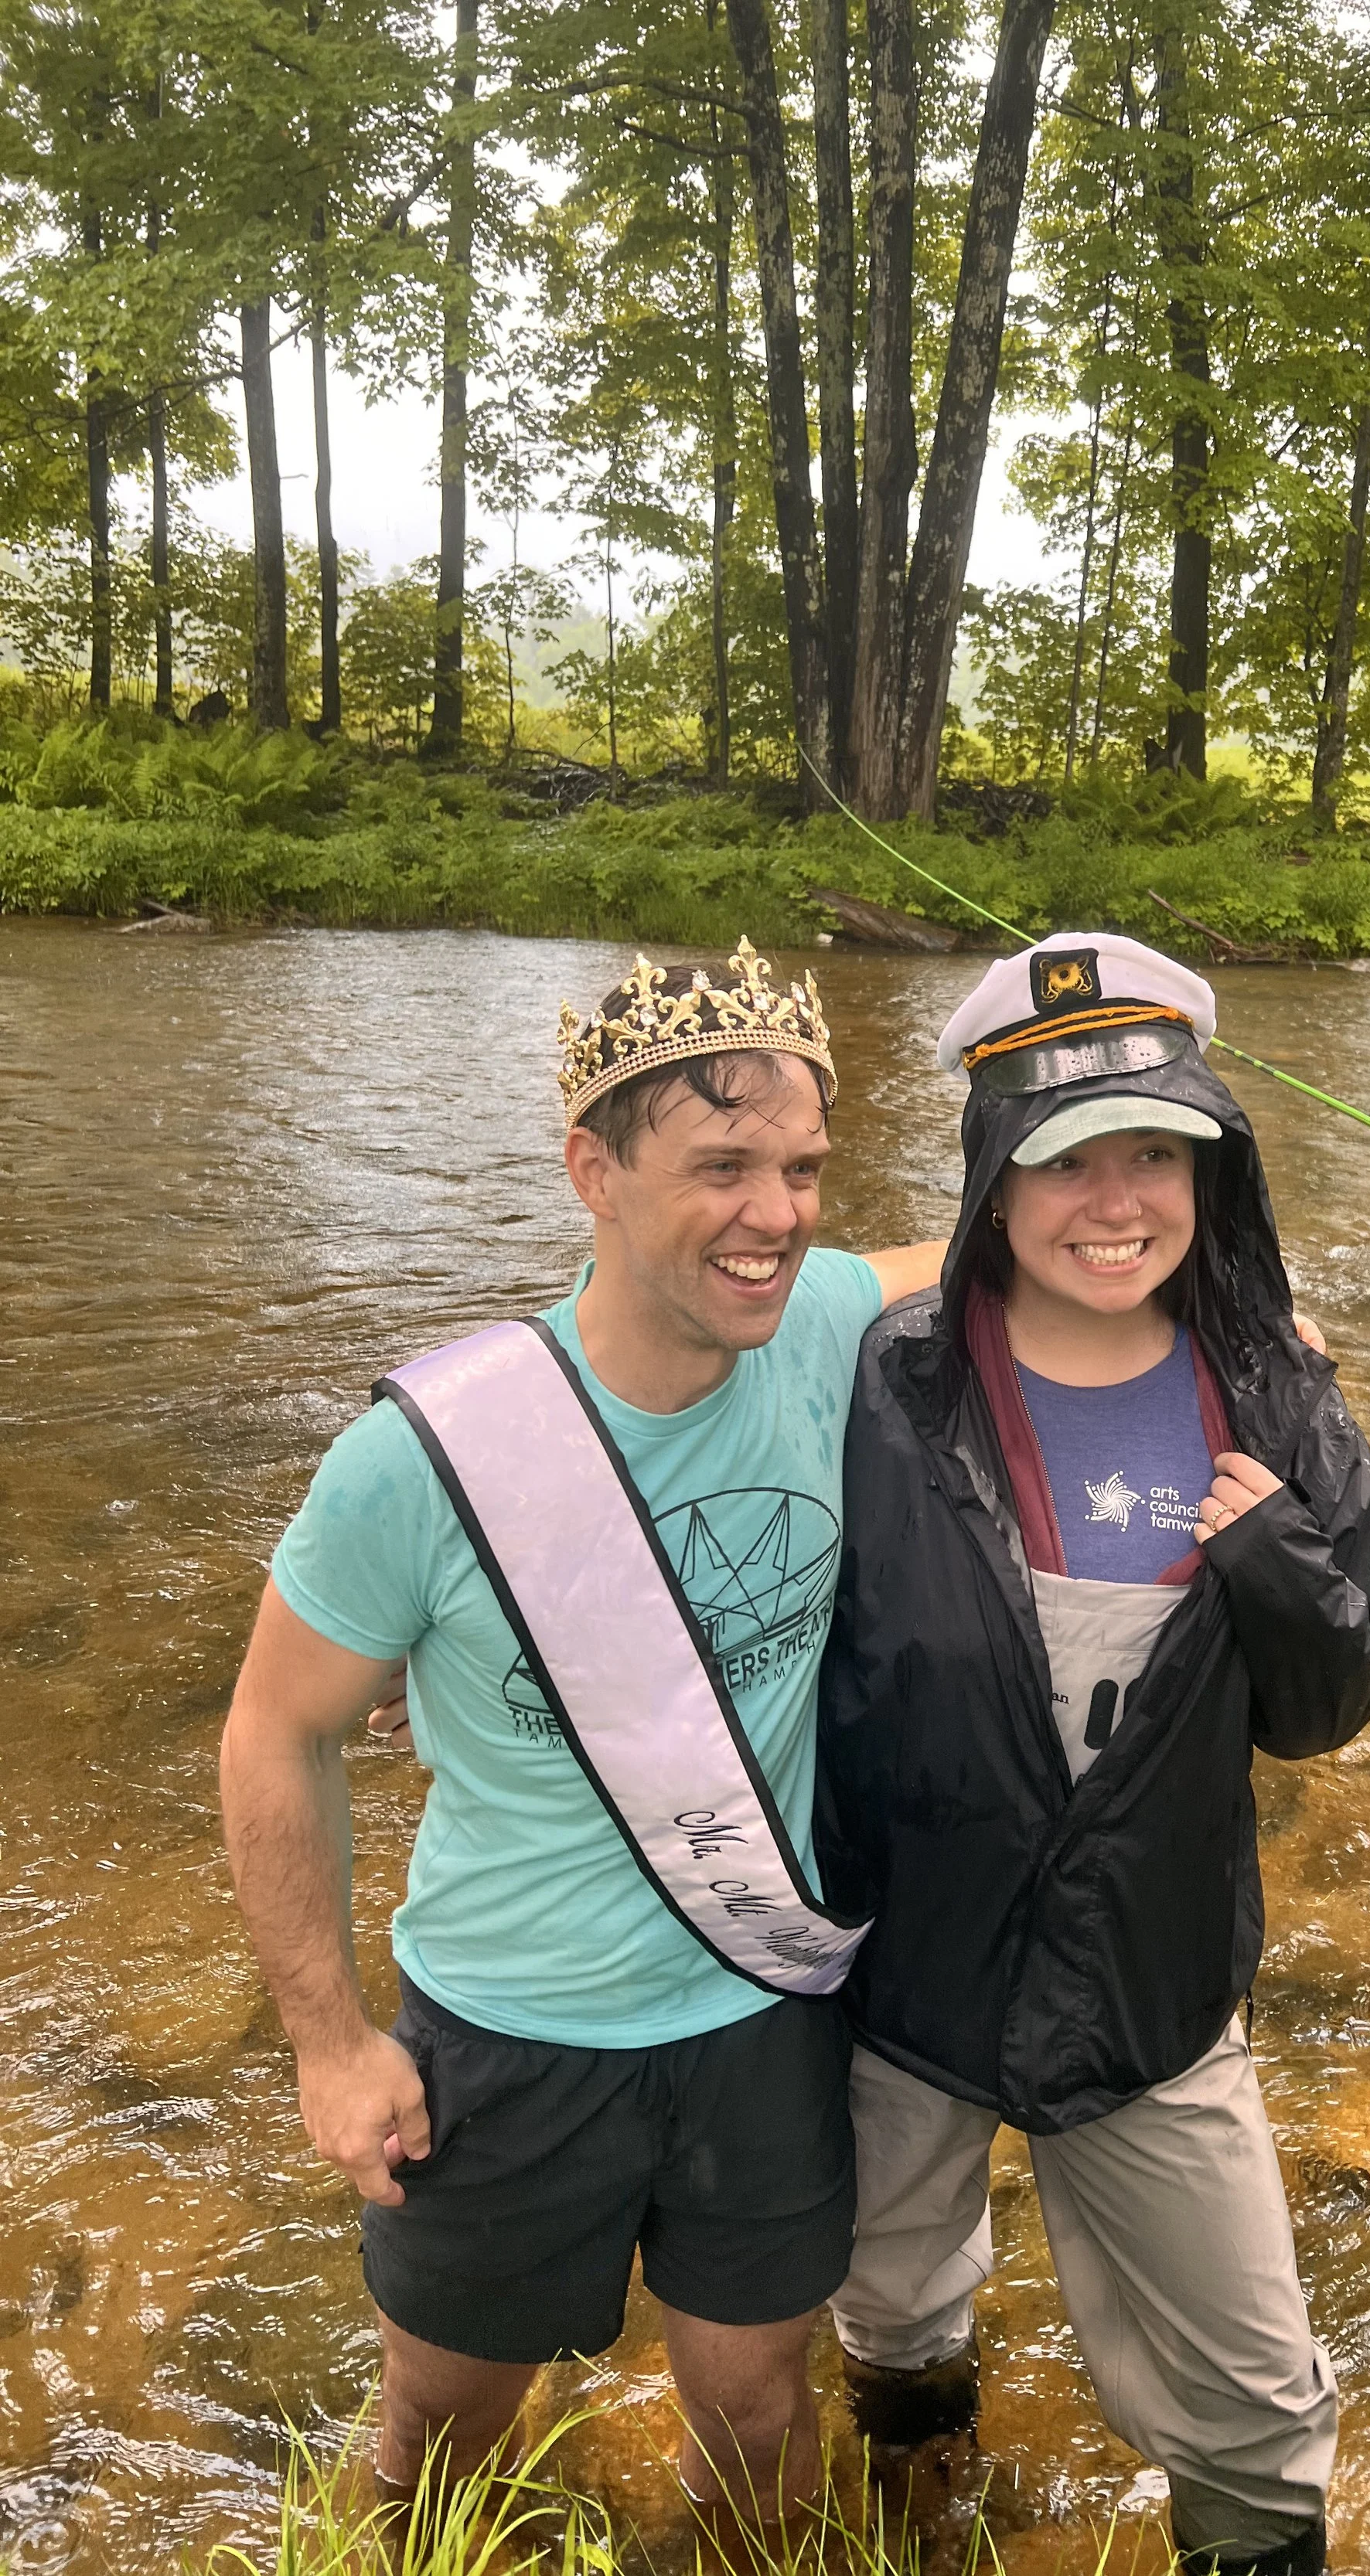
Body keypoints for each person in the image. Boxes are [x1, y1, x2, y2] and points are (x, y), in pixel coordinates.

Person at [220, 941, 942, 2525]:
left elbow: (1005, 1254)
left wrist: (1223, 1310)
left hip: (755, 2017)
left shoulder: (817, 1319)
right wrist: (330, 2040)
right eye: (723, 1166)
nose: (778, 1213)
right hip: (503, 2033)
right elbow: (274, 1733)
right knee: (443, 2432)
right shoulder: (420, 1465)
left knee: (759, 2420)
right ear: (591, 1173)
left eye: (804, 1166)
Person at [815, 934, 1370, 2576]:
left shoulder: (1280, 1396)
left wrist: (1280, 1565)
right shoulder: (880, 1385)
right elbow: (673, 1475)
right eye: (1062, 1157)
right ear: (987, 1185)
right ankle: (917, 2494)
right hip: (907, 1970)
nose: (1112, 1199)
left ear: (1208, 1170)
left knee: (1249, 2389)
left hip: (1153, 1988)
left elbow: (1323, 1708)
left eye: (1152, 1150)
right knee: (888, 2294)